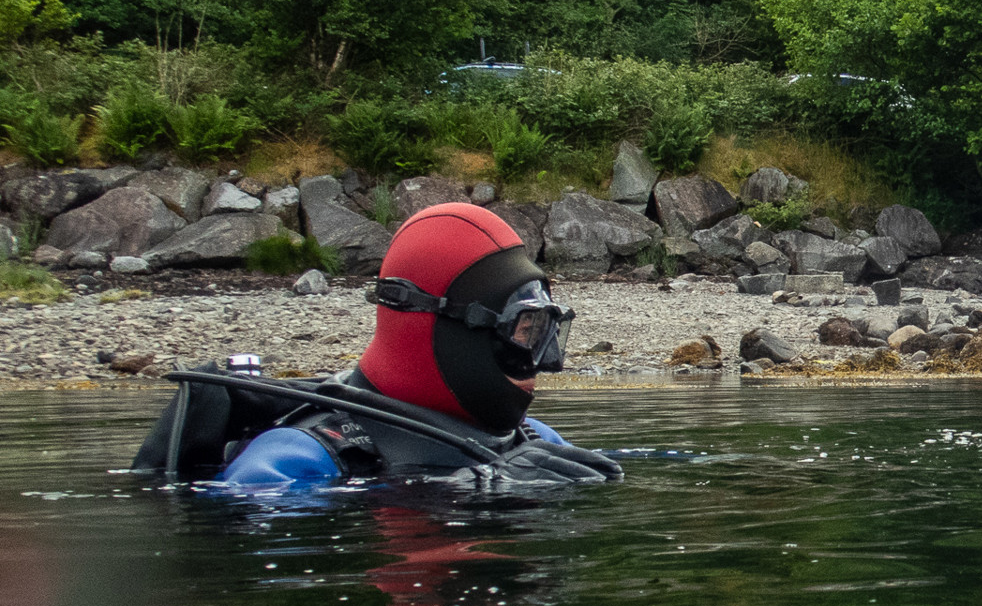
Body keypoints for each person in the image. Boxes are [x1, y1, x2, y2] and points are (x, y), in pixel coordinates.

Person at [132, 202, 621, 486]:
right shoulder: (294, 458)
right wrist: (473, 487)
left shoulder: (535, 440)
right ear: (450, 328)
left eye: (546, 333)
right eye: (524, 332)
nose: (545, 362)